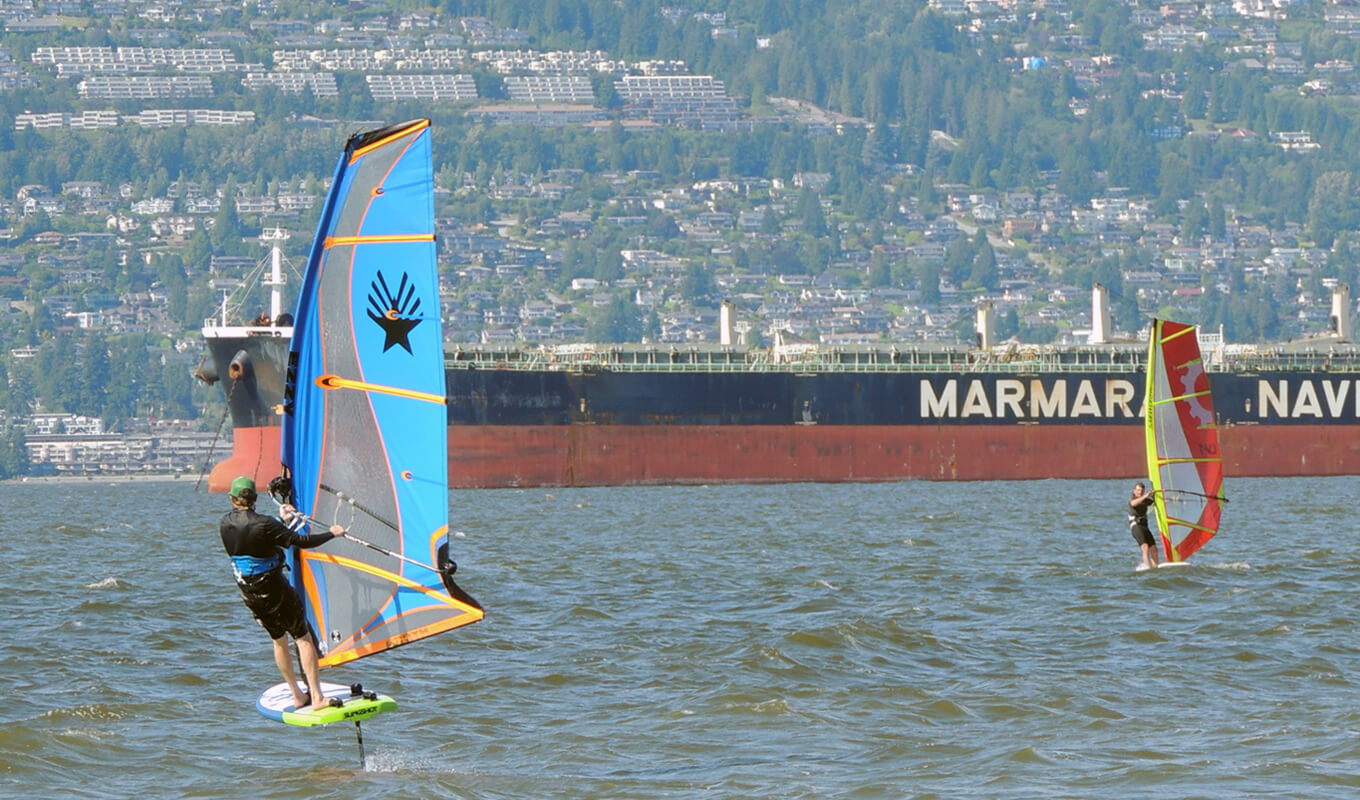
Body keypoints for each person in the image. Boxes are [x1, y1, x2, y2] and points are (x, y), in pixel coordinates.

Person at [219, 475, 346, 712]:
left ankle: (297, 694)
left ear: (232, 499)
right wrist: (332, 533)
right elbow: (301, 540)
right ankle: (317, 698)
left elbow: (256, 535)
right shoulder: (266, 524)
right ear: (255, 498)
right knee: (303, 637)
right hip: (273, 588)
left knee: (278, 640)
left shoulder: (225, 523)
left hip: (249, 592)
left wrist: (282, 520)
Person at [1128, 481, 1160, 569]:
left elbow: (1157, 503)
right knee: (1145, 547)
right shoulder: (1132, 500)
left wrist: (1171, 500)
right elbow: (1134, 504)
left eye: (1142, 491)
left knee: (1154, 548)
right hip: (1136, 526)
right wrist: (1146, 495)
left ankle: (1155, 567)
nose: (1140, 492)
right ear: (1134, 491)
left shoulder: (1145, 500)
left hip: (1145, 527)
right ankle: (1148, 567)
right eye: (1138, 490)